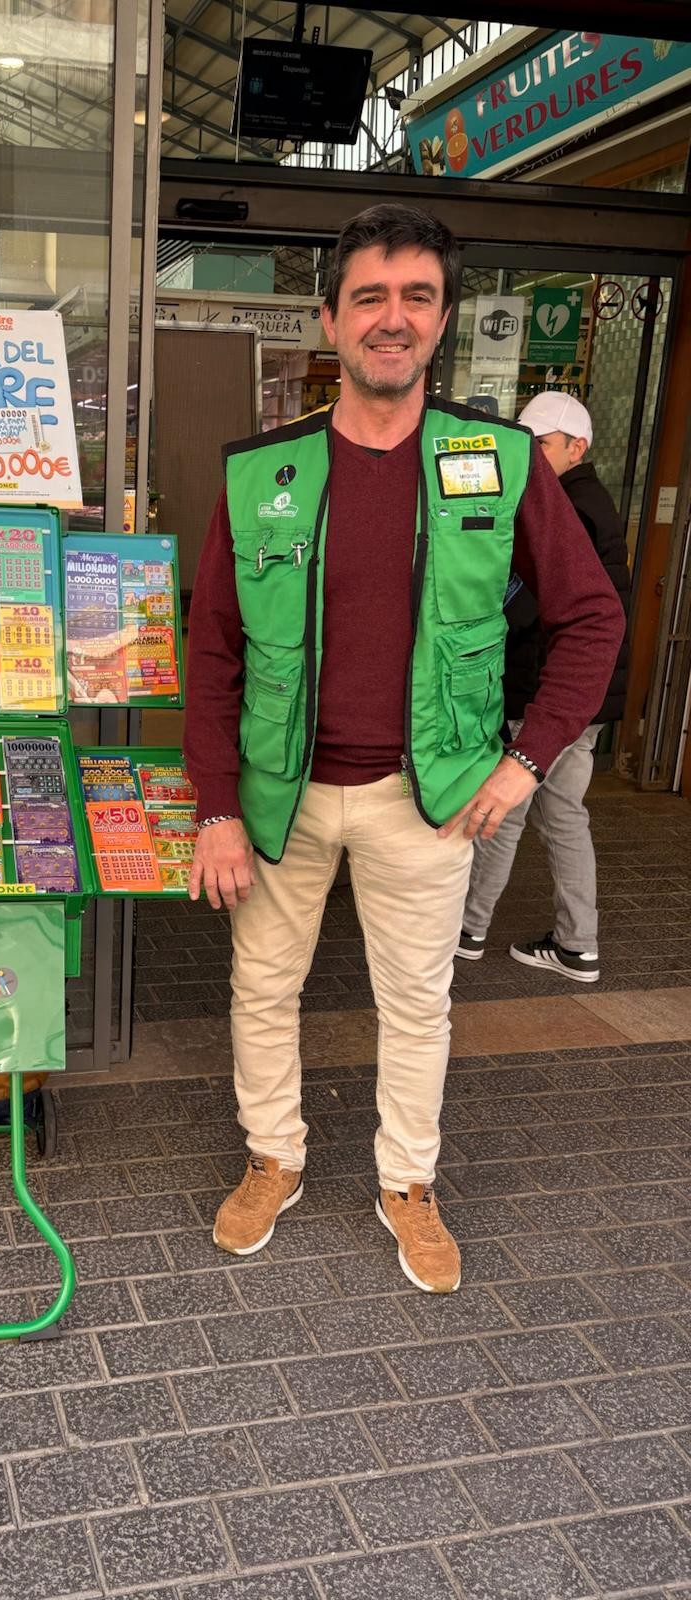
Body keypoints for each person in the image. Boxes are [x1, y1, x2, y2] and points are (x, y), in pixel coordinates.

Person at [184, 204, 625, 1294]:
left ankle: (407, 1182)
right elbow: (213, 652)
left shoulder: (497, 458)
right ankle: (274, 1156)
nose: (394, 319)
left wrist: (523, 764)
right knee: (262, 989)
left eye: (416, 297)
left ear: (441, 319)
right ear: (332, 320)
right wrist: (216, 807)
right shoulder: (259, 474)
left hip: (426, 796)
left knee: (418, 1003)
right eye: (370, 298)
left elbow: (593, 618)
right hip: (281, 796)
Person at [457, 392, 630, 982]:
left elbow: (526, 609)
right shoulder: (591, 503)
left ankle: (468, 929)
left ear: (576, 447)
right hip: (585, 700)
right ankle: (578, 943)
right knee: (564, 816)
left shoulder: (571, 507)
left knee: (500, 809)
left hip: (549, 694)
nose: (530, 456)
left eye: (542, 445)